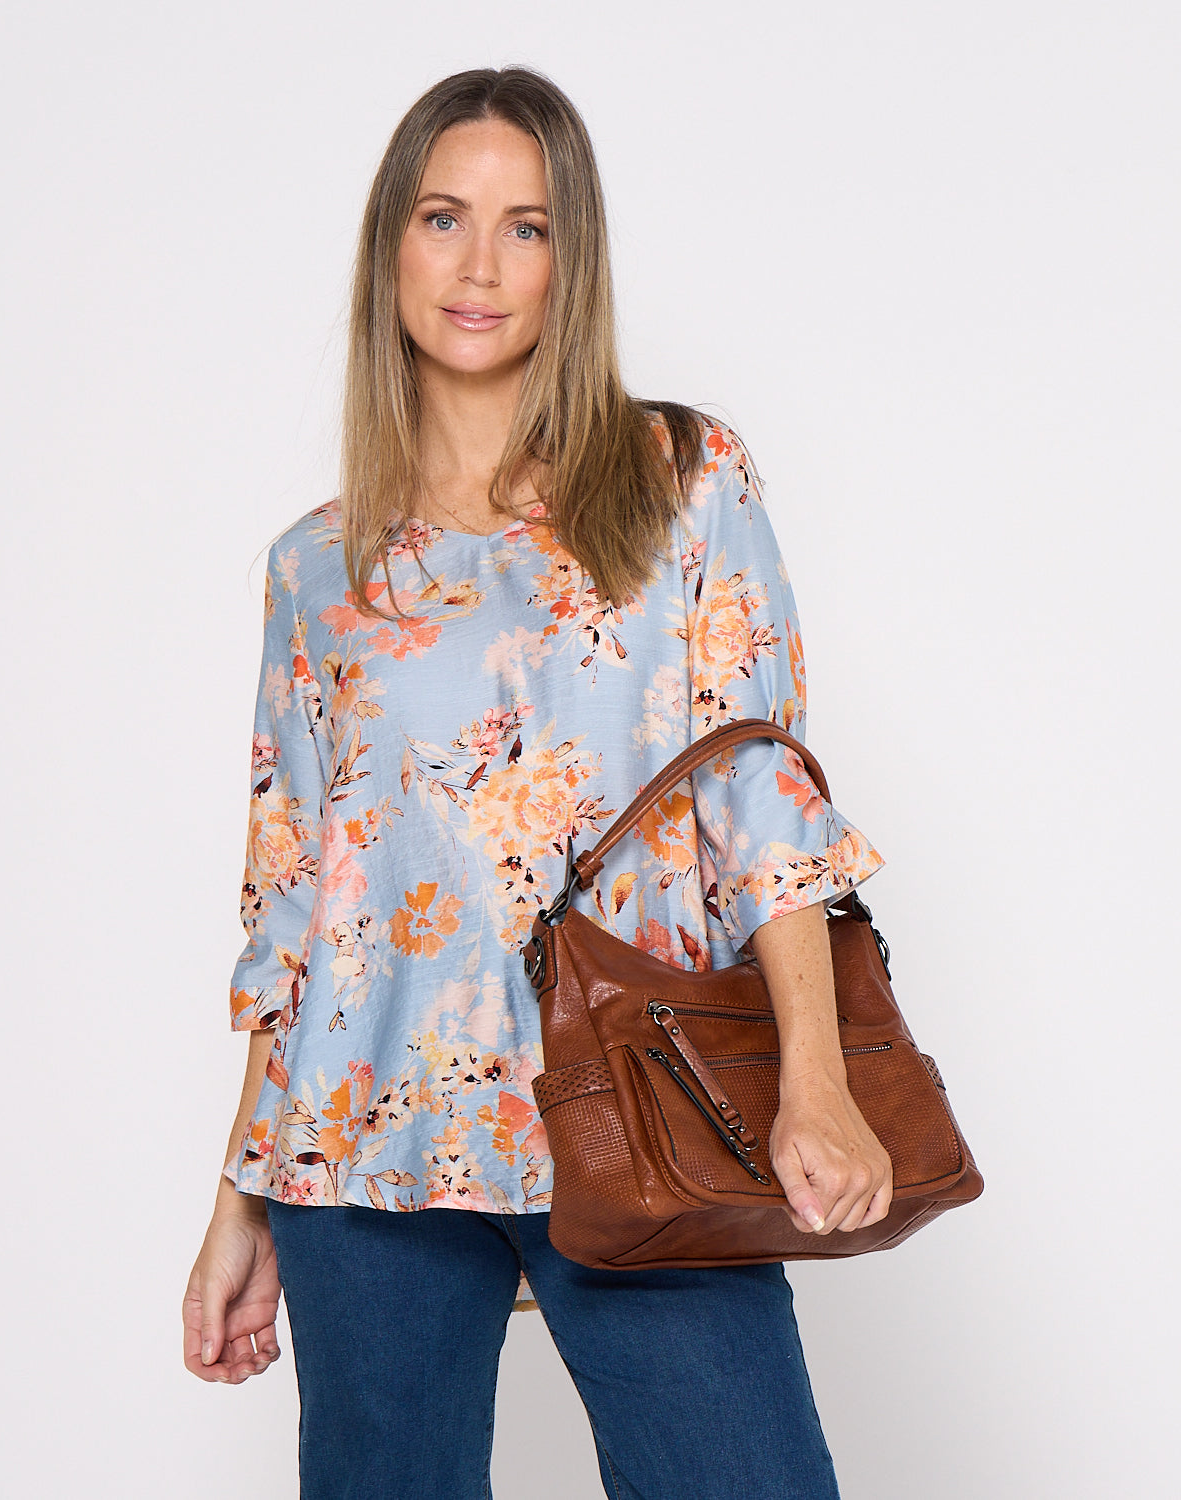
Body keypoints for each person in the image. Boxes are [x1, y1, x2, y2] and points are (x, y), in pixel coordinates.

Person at [183, 64, 893, 1500]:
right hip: (361, 1156)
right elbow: (296, 905)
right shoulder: (318, 569)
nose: (481, 267)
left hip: (640, 1105)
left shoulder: (679, 478)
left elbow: (763, 797)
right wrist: (240, 1199)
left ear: (574, 262)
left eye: (528, 228)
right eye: (444, 218)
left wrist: (815, 1080)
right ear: (391, 242)